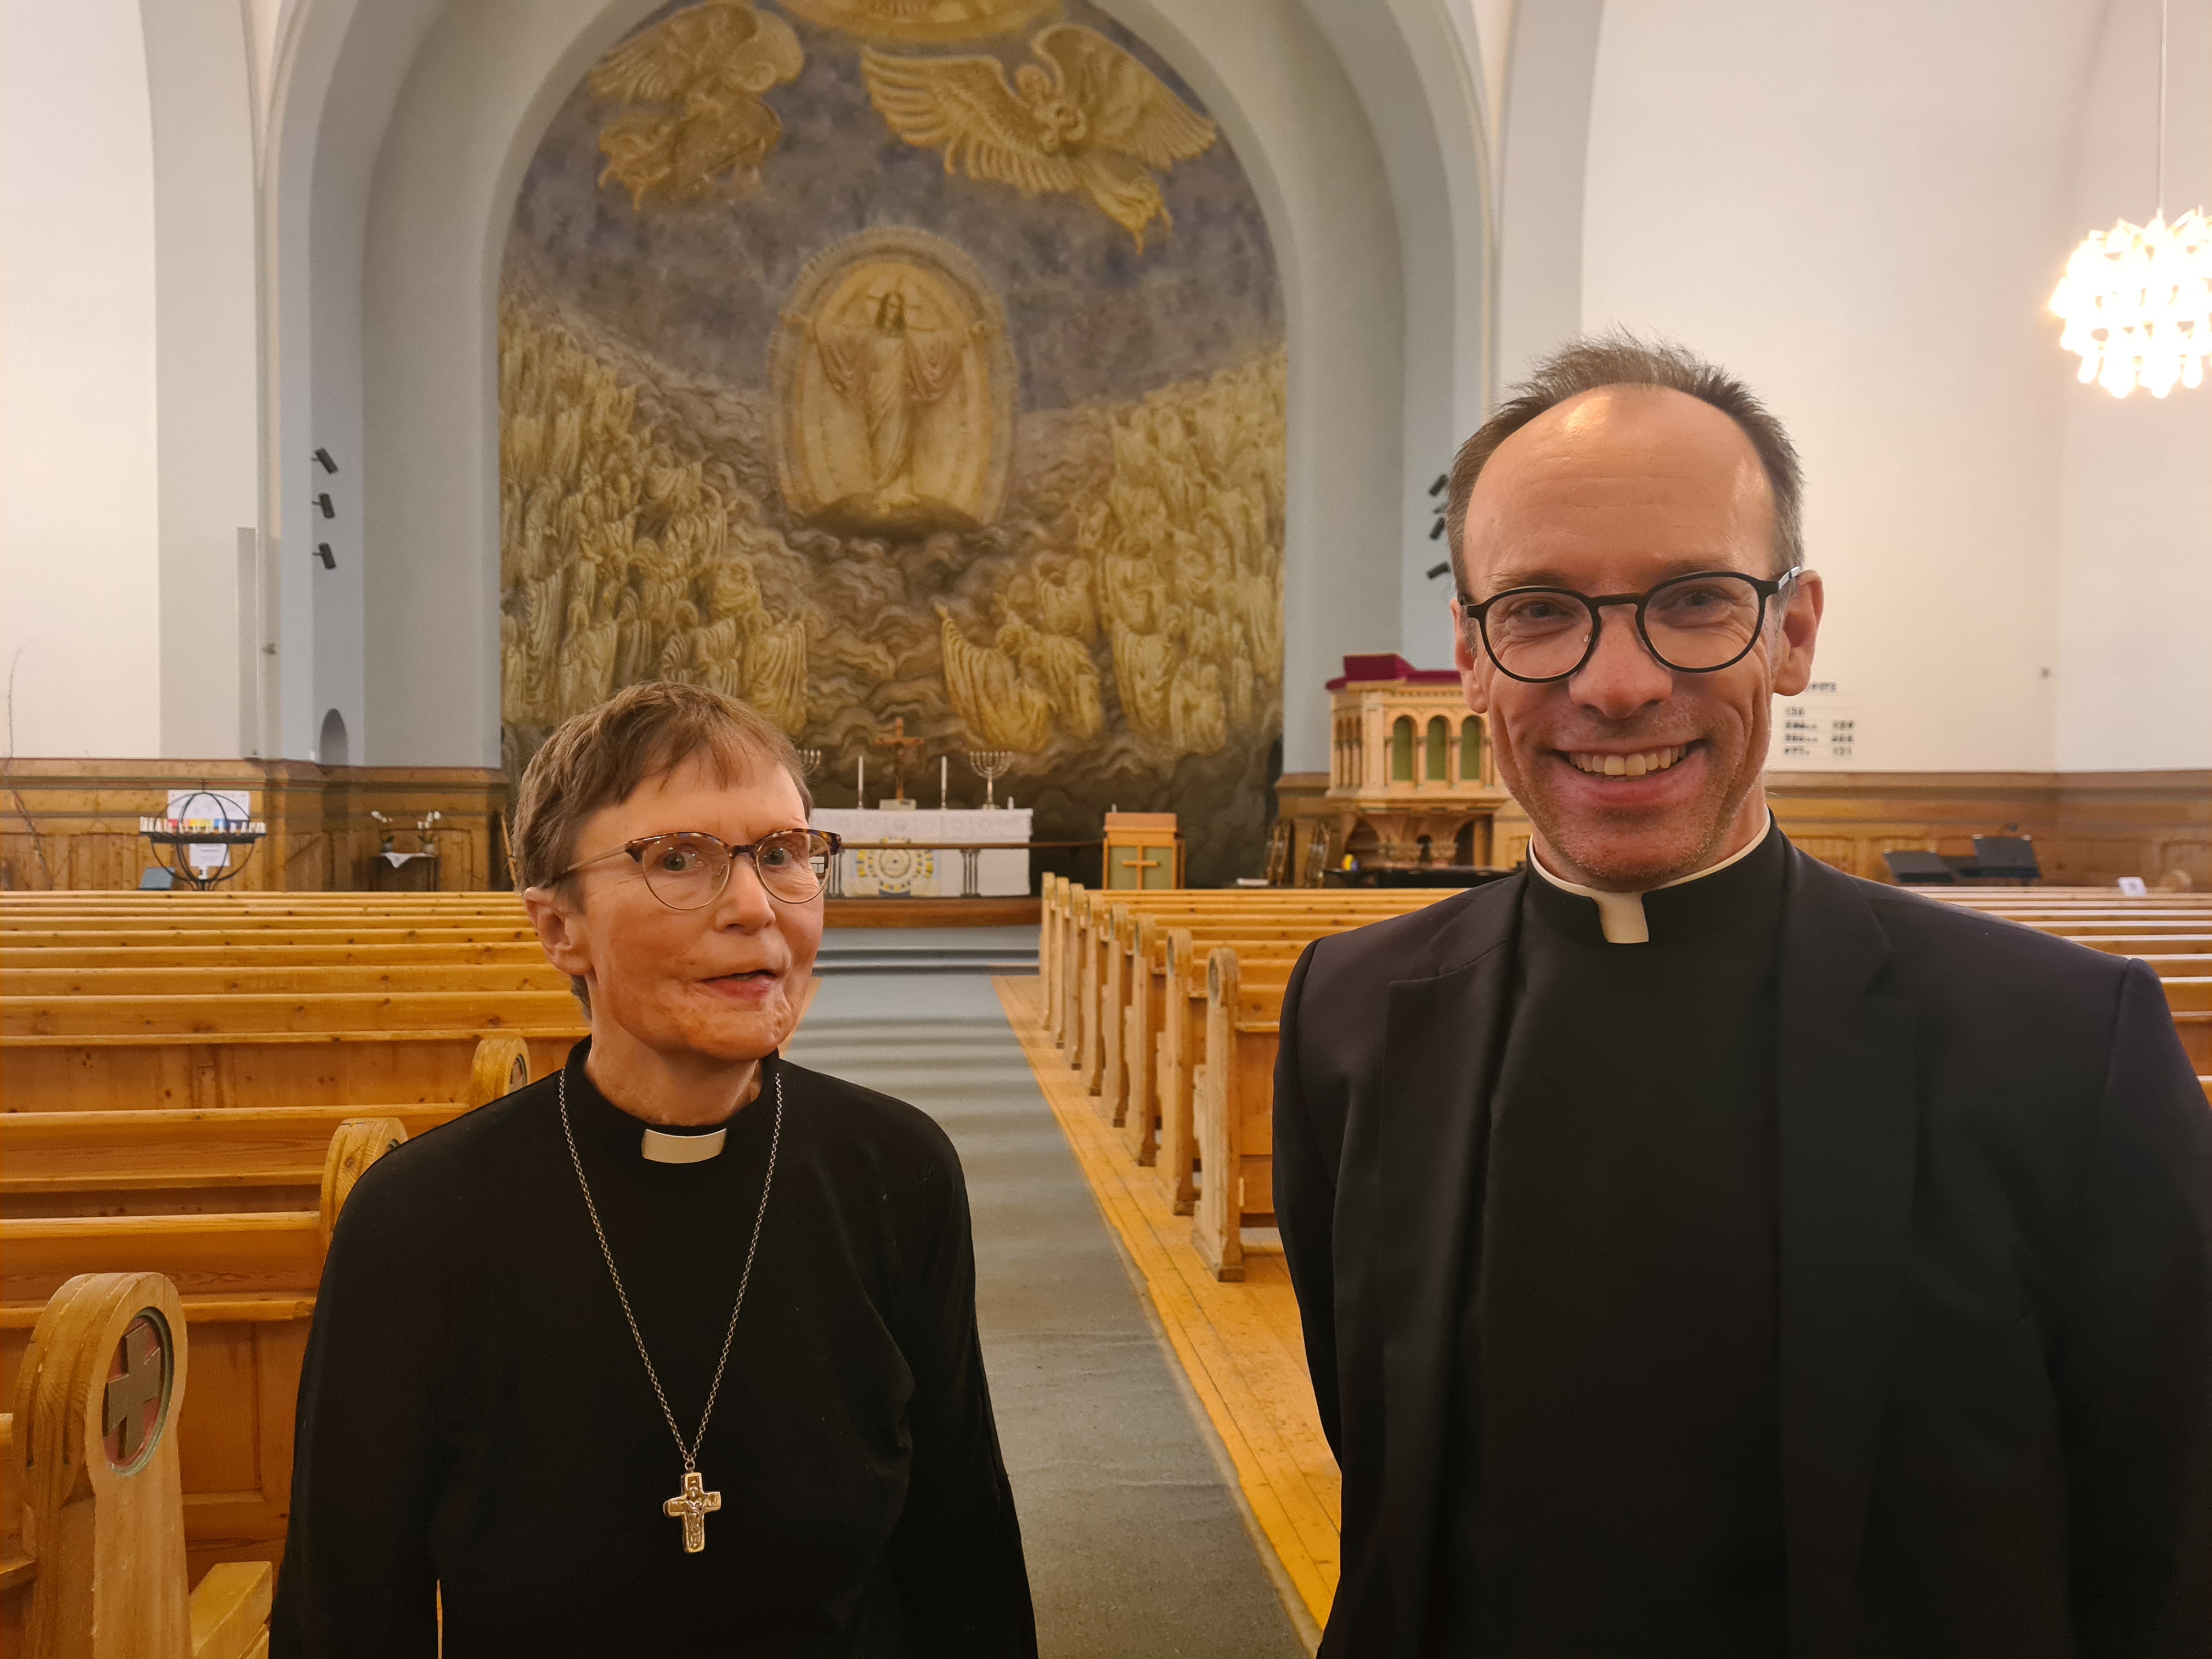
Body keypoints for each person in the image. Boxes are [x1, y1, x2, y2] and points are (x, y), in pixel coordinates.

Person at [1273, 336, 2212, 1657]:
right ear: (1471, 655)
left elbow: (2167, 1549)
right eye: (1538, 610)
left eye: (1695, 600)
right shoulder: (1351, 1015)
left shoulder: (2068, 1050)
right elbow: (1380, 1461)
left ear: (1793, 632)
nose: (1618, 684)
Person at [271, 681, 1037, 1657]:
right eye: (679, 859)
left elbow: (962, 1546)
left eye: (783, 854)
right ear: (560, 928)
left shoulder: (896, 1171)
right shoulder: (422, 1220)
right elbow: (346, 1612)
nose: (755, 907)